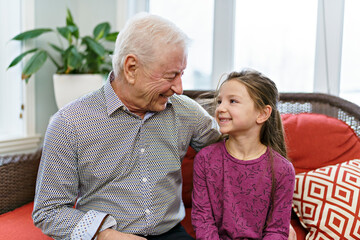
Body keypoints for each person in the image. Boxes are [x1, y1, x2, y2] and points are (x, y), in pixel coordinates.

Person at [32, 12, 221, 240]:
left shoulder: (185, 111)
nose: (179, 88)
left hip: (171, 234)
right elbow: (48, 211)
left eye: (181, 74)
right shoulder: (68, 124)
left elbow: (229, 153)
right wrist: (106, 236)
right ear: (131, 68)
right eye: (171, 76)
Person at [191, 69, 296, 239]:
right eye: (219, 101)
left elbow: (276, 231)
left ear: (262, 114)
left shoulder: (283, 170)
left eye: (232, 101)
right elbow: (203, 221)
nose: (221, 108)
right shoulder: (205, 159)